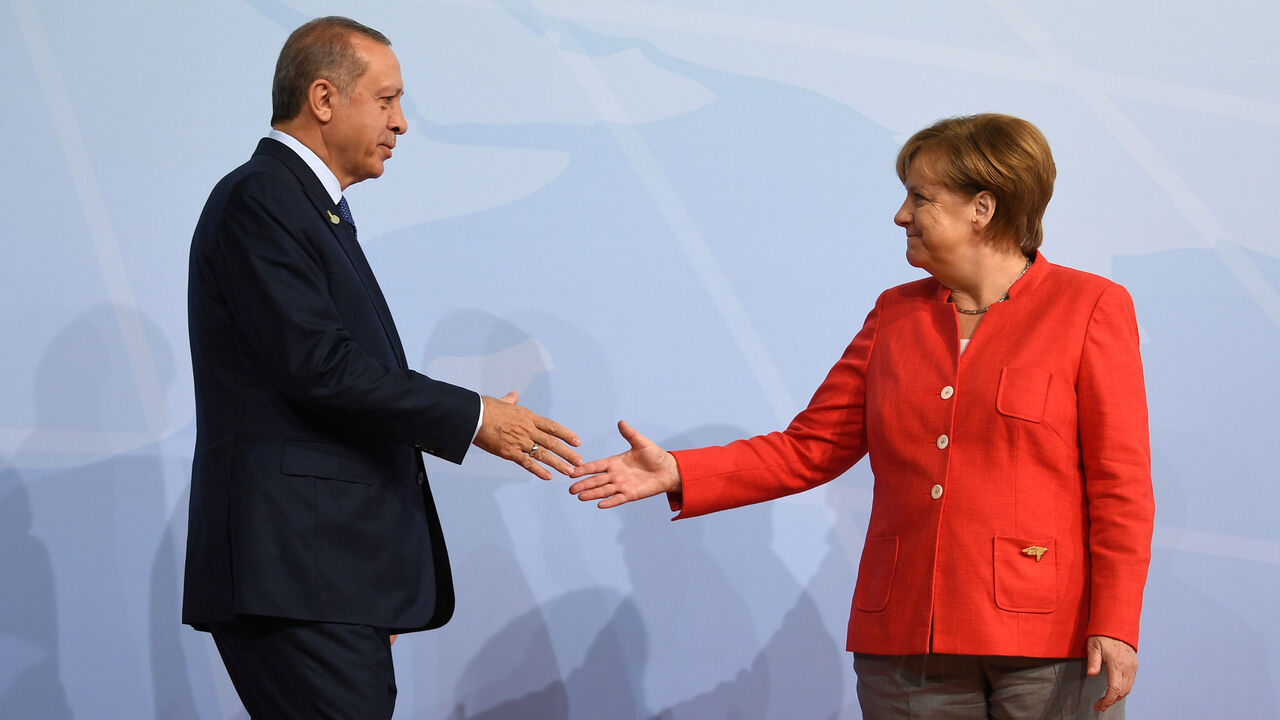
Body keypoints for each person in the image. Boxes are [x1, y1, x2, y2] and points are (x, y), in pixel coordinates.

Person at [570, 114, 1154, 718]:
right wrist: (678, 471)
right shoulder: (894, 314)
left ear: (983, 208)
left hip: (1048, 643)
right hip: (904, 641)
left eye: (920, 198)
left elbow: (1120, 486)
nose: (902, 215)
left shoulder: (1090, 306)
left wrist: (1115, 622)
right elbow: (810, 448)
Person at [183, 16, 581, 719]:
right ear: (324, 98)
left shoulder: (311, 209)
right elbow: (322, 369)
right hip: (299, 574)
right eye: (388, 100)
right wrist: (478, 418)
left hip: (329, 576)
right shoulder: (263, 199)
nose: (402, 124)